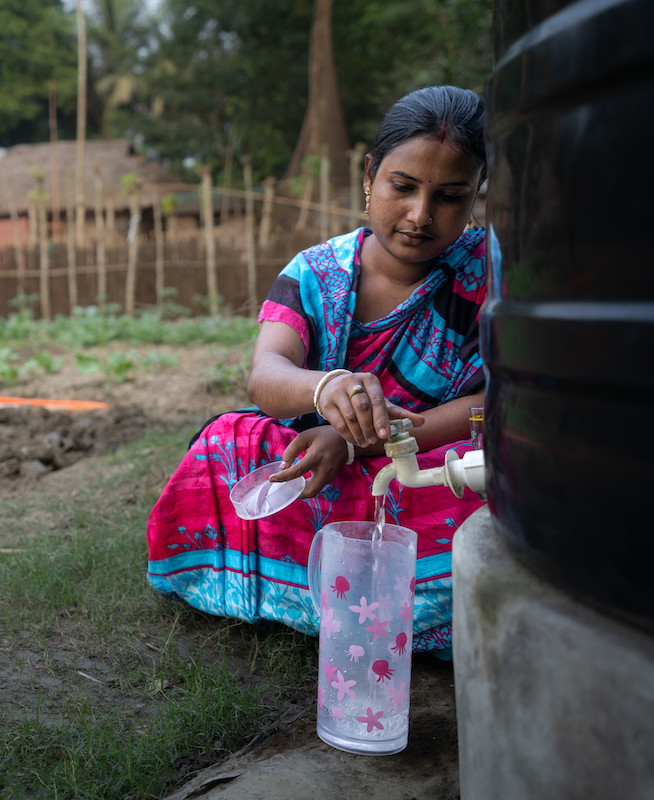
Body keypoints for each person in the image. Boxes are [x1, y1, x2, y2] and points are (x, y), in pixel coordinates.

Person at [146, 86, 489, 654]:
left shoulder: (490, 273)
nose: (420, 215)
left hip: (426, 458)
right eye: (402, 187)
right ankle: (379, 599)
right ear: (370, 175)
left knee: (495, 479)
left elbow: (495, 405)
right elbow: (267, 375)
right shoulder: (315, 271)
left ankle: (335, 597)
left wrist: (360, 443)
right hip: (314, 458)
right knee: (227, 444)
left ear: (476, 195)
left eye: (450, 197)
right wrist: (328, 386)